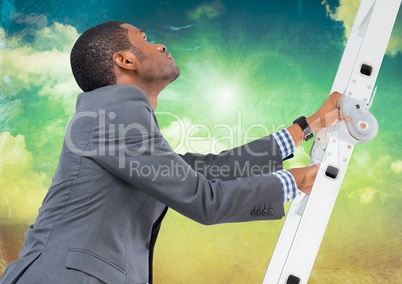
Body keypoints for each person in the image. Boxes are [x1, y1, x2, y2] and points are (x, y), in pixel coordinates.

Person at [0, 21, 341, 284]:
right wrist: (294, 181)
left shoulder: (117, 123)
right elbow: (203, 198)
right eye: (145, 38)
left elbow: (208, 170)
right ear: (124, 60)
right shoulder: (110, 115)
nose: (160, 45)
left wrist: (309, 127)